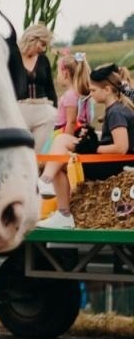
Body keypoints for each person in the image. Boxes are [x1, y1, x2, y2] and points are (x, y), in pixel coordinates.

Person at [36, 63, 134, 230]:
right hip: (109, 161)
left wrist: (94, 148)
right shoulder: (117, 109)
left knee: (61, 150)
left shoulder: (116, 112)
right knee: (62, 146)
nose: (91, 94)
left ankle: (57, 201)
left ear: (107, 90)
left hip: (112, 165)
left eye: (94, 90)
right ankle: (49, 185)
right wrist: (90, 138)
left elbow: (121, 147)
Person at [15, 24, 58, 150]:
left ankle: (39, 168)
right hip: (19, 108)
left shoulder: (43, 60)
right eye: (42, 44)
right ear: (33, 39)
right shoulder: (13, 57)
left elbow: (50, 89)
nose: (43, 49)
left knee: (40, 151)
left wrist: (56, 109)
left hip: (43, 109)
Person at [55, 51, 92, 139]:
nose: (58, 75)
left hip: (66, 134)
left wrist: (65, 141)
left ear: (65, 74)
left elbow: (71, 122)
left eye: (58, 72)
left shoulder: (70, 95)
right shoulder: (79, 93)